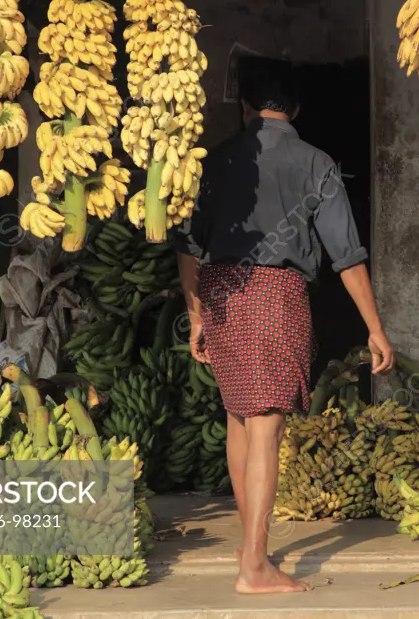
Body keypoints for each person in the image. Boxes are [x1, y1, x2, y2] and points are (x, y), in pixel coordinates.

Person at [174, 59, 395, 595]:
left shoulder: (215, 160)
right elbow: (347, 254)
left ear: (246, 107)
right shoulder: (316, 162)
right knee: (267, 427)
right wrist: (375, 328)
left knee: (239, 420)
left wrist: (198, 312)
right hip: (275, 296)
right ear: (294, 109)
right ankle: (254, 566)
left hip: (221, 291)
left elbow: (187, 243)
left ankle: (253, 548)